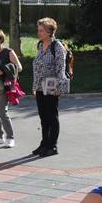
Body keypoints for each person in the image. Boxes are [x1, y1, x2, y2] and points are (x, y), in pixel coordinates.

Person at [30, 17, 68, 157]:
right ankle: (44, 144)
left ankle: (52, 146)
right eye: (38, 30)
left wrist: (59, 87)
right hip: (40, 87)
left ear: (49, 32)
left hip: (52, 86)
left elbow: (60, 68)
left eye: (41, 30)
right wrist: (35, 86)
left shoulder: (57, 46)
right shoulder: (40, 45)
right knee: (43, 117)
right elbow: (37, 67)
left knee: (52, 116)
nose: (38, 33)